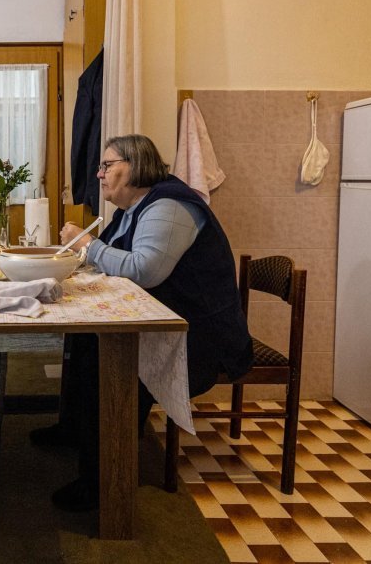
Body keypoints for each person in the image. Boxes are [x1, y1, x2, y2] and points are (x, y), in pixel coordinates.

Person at [33, 134, 252, 511]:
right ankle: (75, 430)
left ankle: (103, 483)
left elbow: (144, 269)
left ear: (135, 166)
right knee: (84, 338)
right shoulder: (131, 209)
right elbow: (111, 262)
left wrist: (87, 245)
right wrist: (89, 252)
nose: (99, 174)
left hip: (199, 337)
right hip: (167, 322)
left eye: (107, 165)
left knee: (112, 362)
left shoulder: (169, 205)